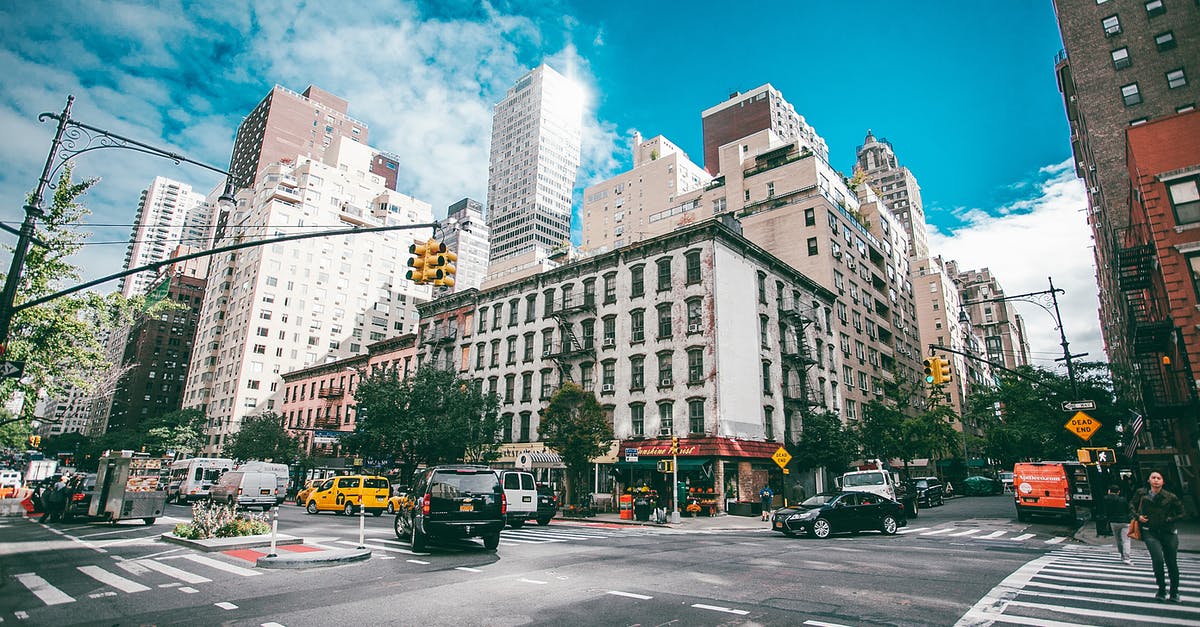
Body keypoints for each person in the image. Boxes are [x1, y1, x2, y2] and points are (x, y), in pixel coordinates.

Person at [1131, 471, 1184, 602]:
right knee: (1158, 560)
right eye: (1153, 478)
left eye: (1159, 478)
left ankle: (1174, 592)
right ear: (1149, 480)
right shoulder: (1141, 493)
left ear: (1163, 482)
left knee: (1171, 562)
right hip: (1150, 531)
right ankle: (1161, 589)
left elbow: (1182, 513)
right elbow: (1131, 505)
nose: (1156, 480)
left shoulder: (1171, 497)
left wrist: (1170, 518)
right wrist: (1138, 517)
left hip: (1168, 532)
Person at [1103, 484, 1133, 565]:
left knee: (1118, 539)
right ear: (1118, 492)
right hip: (1125, 521)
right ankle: (1126, 558)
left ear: (1109, 491)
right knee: (1126, 540)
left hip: (1113, 521)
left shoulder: (1106, 499)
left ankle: (1122, 554)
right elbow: (1128, 509)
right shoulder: (1123, 500)